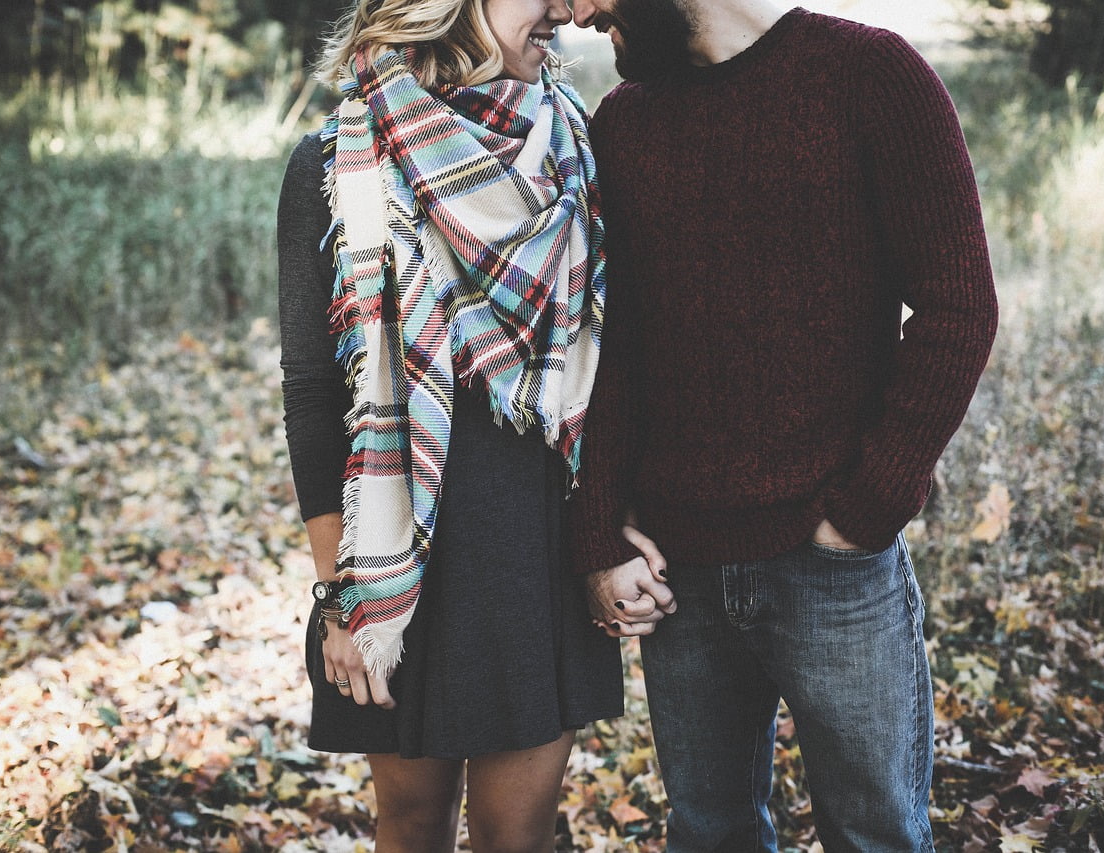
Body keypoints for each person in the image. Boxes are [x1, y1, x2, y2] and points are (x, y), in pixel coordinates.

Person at [568, 1, 1000, 851]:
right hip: (677, 573)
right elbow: (608, 343)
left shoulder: (869, 77)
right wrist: (597, 533)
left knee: (873, 834)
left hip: (832, 568)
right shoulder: (622, 123)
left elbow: (958, 306)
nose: (579, 11)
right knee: (710, 832)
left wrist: (864, 511)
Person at [276, 1, 624, 849]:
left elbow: (618, 364)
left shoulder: (578, 150)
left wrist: (610, 535)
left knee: (519, 834)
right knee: (412, 823)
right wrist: (341, 597)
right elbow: (314, 395)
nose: (565, 11)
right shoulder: (337, 161)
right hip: (404, 556)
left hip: (535, 545)